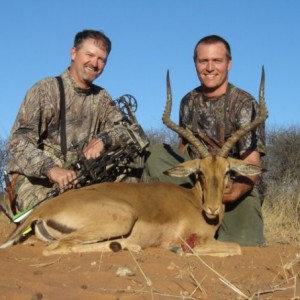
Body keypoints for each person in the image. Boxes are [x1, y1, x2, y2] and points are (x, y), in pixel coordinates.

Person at [146, 35, 266, 246]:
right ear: (196, 64)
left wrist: (232, 193)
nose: (209, 67)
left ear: (229, 64)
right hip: (197, 183)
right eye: (203, 61)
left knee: (246, 245)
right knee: (155, 154)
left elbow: (252, 162)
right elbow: (182, 149)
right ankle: (175, 217)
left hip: (231, 186)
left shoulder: (245, 103)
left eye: (217, 61)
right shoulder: (187, 101)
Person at [7, 29, 140, 213]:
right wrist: (52, 170)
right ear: (73, 53)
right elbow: (18, 142)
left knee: (131, 185)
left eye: (101, 59)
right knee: (55, 213)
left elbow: (130, 129)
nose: (94, 63)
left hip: (82, 178)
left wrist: (104, 139)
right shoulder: (45, 90)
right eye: (90, 55)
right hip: (40, 181)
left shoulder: (102, 97)